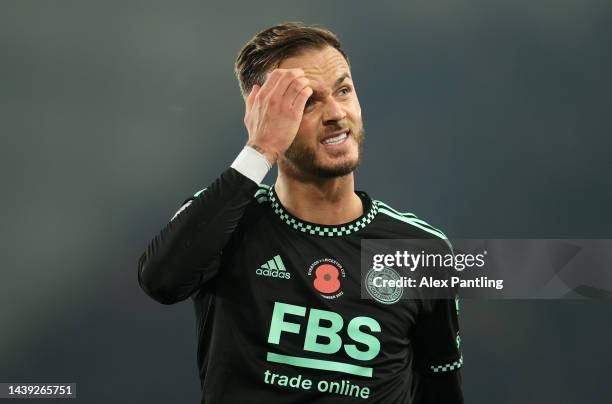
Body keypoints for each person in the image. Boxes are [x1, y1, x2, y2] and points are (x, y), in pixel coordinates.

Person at [138, 22, 463, 403]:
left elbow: (442, 392)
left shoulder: (422, 251)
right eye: (307, 101)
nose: (336, 113)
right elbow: (160, 281)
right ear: (264, 115)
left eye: (343, 90)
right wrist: (259, 149)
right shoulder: (226, 221)